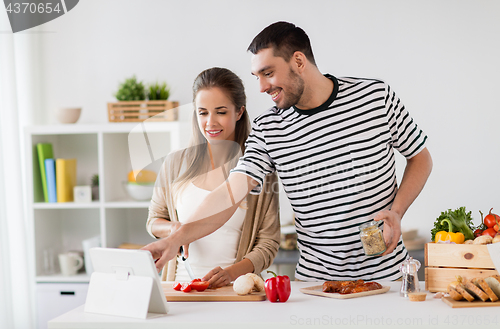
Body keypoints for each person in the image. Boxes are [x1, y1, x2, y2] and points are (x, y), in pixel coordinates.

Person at [143, 22, 433, 281]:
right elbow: (230, 193)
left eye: (268, 73)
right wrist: (175, 238)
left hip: (387, 276)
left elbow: (420, 157)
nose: (261, 87)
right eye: (257, 76)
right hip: (315, 284)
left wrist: (396, 211)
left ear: (298, 60)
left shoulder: (375, 98)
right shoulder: (270, 127)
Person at [146, 67, 280, 287]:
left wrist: (231, 274)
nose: (210, 122)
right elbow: (153, 221)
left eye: (221, 111)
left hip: (233, 290)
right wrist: (175, 230)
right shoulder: (174, 164)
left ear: (239, 112)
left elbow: (268, 244)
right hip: (179, 290)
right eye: (203, 112)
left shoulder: (258, 169)